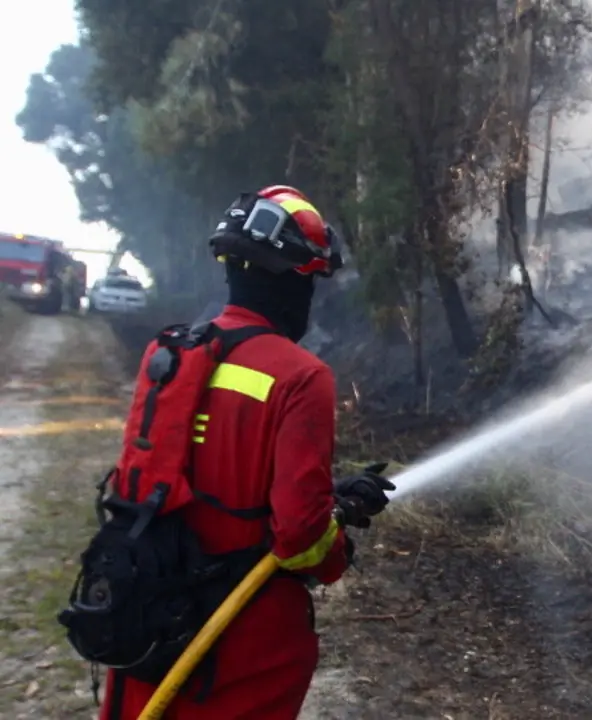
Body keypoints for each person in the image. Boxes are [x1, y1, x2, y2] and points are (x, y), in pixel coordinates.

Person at [98, 185, 395, 719]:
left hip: (148, 613)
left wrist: (333, 499)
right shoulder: (302, 376)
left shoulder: (170, 351)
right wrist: (335, 542)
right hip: (236, 640)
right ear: (294, 281)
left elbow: (206, 478)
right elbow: (299, 540)